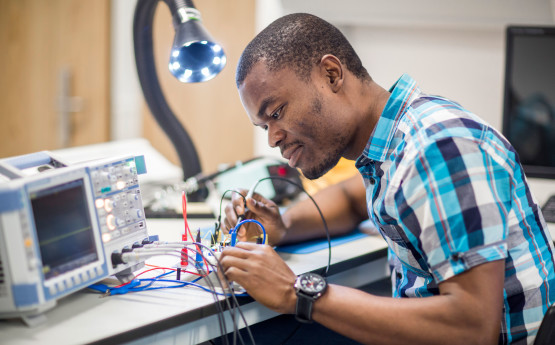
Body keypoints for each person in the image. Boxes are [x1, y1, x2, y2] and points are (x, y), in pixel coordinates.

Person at [218, 13, 555, 345]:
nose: (272, 138)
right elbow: (350, 202)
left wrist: (297, 291)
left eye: (276, 113)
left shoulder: (438, 147)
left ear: (331, 74)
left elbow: (472, 328)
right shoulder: (391, 146)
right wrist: (284, 225)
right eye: (263, 126)